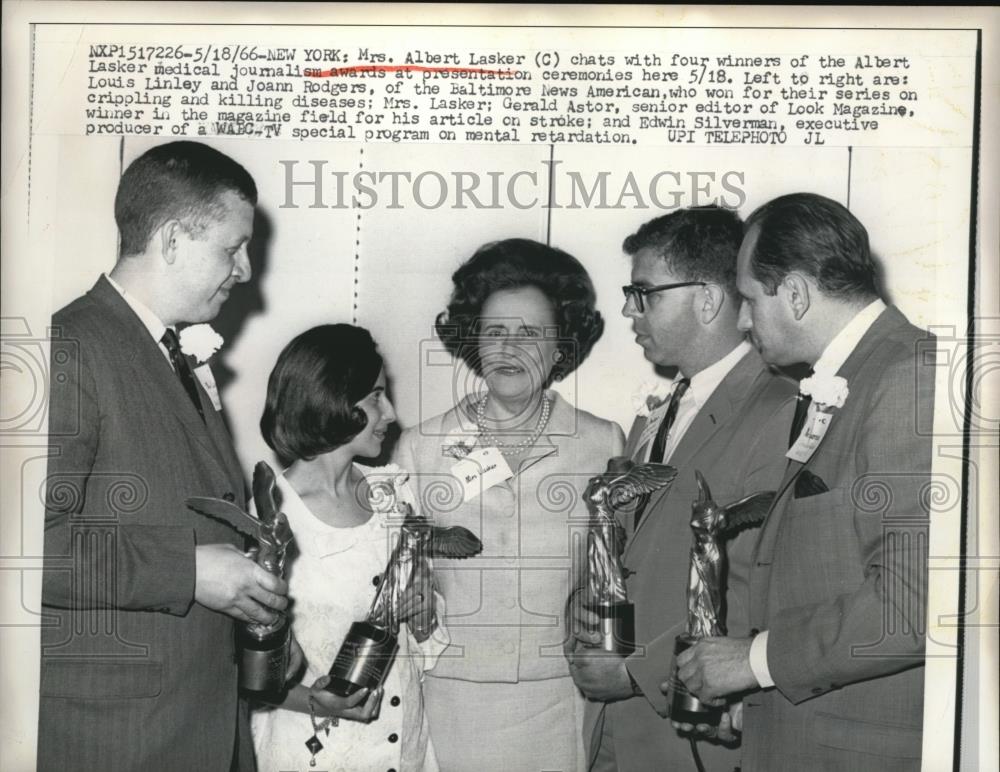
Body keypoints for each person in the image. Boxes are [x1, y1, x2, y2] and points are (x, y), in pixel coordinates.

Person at [40, 141, 291, 771]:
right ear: (174, 239)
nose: (244, 269)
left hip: (193, 729)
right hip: (118, 741)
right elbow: (22, 546)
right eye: (232, 247)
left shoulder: (169, 352)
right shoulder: (67, 347)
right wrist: (190, 572)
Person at [676, 193, 933, 771]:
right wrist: (762, 704)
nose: (742, 322)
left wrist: (755, 661)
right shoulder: (852, 377)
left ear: (794, 293)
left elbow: (912, 608)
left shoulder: (908, 375)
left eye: (747, 298)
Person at [564, 206, 797, 771]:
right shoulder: (658, 414)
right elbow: (627, 553)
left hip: (689, 738)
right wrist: (582, 614)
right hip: (616, 734)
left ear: (708, 299)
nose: (627, 309)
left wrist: (635, 670)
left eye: (644, 293)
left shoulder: (780, 411)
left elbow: (762, 589)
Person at [394, 238, 625, 772]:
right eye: (495, 332)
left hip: (559, 701)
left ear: (561, 346)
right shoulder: (421, 446)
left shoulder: (602, 443)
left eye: (530, 333)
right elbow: (399, 581)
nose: (509, 349)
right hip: (448, 700)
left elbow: (610, 580)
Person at [252, 324, 443, 772]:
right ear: (330, 397)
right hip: (315, 755)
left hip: (406, 752)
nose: (391, 413)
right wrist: (313, 703)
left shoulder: (393, 496)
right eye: (375, 396)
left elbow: (422, 647)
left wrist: (423, 614)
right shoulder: (271, 517)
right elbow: (239, 668)